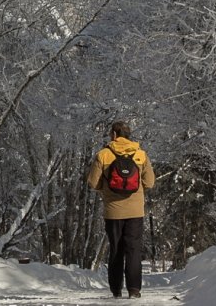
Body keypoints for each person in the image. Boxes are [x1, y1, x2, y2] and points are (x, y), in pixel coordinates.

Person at [87, 121, 155, 299]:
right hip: (135, 211)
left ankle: (116, 290)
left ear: (114, 135)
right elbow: (150, 183)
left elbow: (93, 182)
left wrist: (108, 189)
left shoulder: (103, 155)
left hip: (113, 211)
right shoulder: (141, 154)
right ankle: (134, 290)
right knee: (133, 249)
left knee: (116, 249)